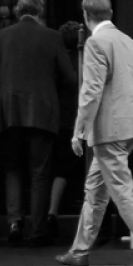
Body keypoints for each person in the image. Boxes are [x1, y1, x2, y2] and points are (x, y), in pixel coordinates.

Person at [55, 0, 133, 266]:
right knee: (96, 190)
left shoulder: (96, 43)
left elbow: (91, 90)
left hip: (107, 129)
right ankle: (79, 250)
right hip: (127, 126)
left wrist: (78, 130)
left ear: (85, 15)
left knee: (119, 190)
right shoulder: (128, 42)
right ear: (111, 13)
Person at [0, 0, 75, 246]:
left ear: (17, 11)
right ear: (40, 11)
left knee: (13, 168)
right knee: (39, 172)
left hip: (9, 111)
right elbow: (69, 77)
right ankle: (37, 229)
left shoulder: (0, 37)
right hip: (42, 112)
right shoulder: (52, 37)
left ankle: (14, 223)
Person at [45, 20, 86, 242]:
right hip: (81, 120)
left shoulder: (58, 62)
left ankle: (52, 212)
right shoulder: (84, 60)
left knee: (60, 170)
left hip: (62, 120)